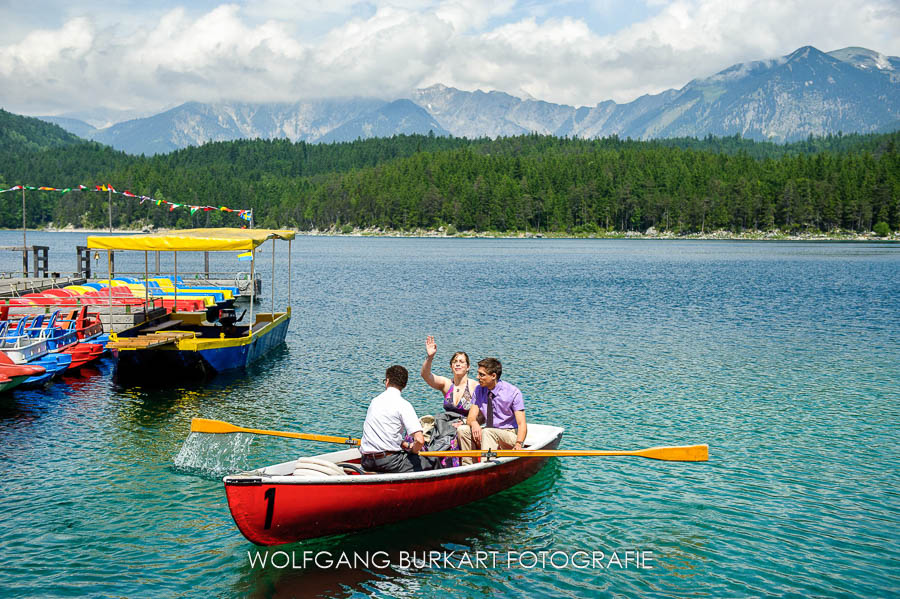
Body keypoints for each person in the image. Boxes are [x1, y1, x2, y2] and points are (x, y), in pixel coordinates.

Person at [360, 365, 432, 473]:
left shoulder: (374, 401)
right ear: (404, 385)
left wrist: (403, 444)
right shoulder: (403, 405)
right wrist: (413, 450)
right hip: (388, 462)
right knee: (431, 461)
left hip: (366, 461)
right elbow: (420, 440)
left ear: (387, 381)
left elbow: (386, 433)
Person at [456, 357, 527, 465]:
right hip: (489, 432)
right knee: (463, 429)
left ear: (493, 376)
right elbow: (471, 417)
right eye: (478, 373)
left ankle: (486, 465)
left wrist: (518, 443)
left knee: (488, 432)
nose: (477, 377)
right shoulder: (479, 389)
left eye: (481, 375)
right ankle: (468, 466)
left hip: (510, 434)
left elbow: (522, 424)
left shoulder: (513, 392)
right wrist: (474, 423)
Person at [420, 335, 478, 424]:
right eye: (455, 362)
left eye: (461, 362)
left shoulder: (474, 386)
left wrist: (465, 423)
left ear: (468, 367)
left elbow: (483, 414)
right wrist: (430, 357)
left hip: (465, 427)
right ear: (451, 366)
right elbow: (425, 375)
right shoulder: (447, 384)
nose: (457, 364)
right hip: (446, 426)